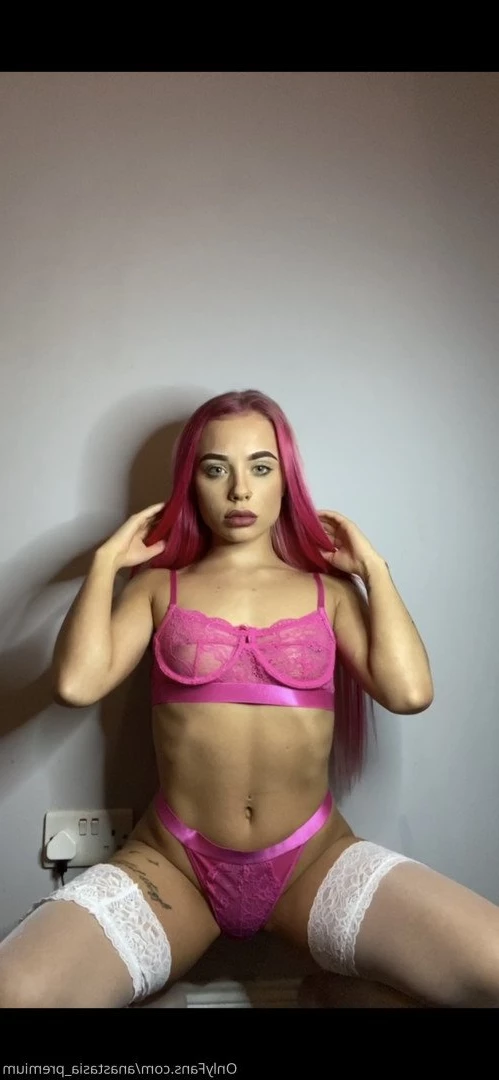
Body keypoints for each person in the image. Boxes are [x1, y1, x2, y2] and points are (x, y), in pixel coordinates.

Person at [1, 388, 498, 1011]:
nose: (239, 490)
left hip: (311, 861)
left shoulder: (330, 593)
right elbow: (76, 684)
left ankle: (333, 995)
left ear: (286, 480)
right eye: (216, 469)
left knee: (493, 966)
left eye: (261, 467)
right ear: (192, 483)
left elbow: (410, 692)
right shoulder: (158, 587)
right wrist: (105, 564)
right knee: (15, 992)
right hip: (174, 865)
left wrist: (374, 569)